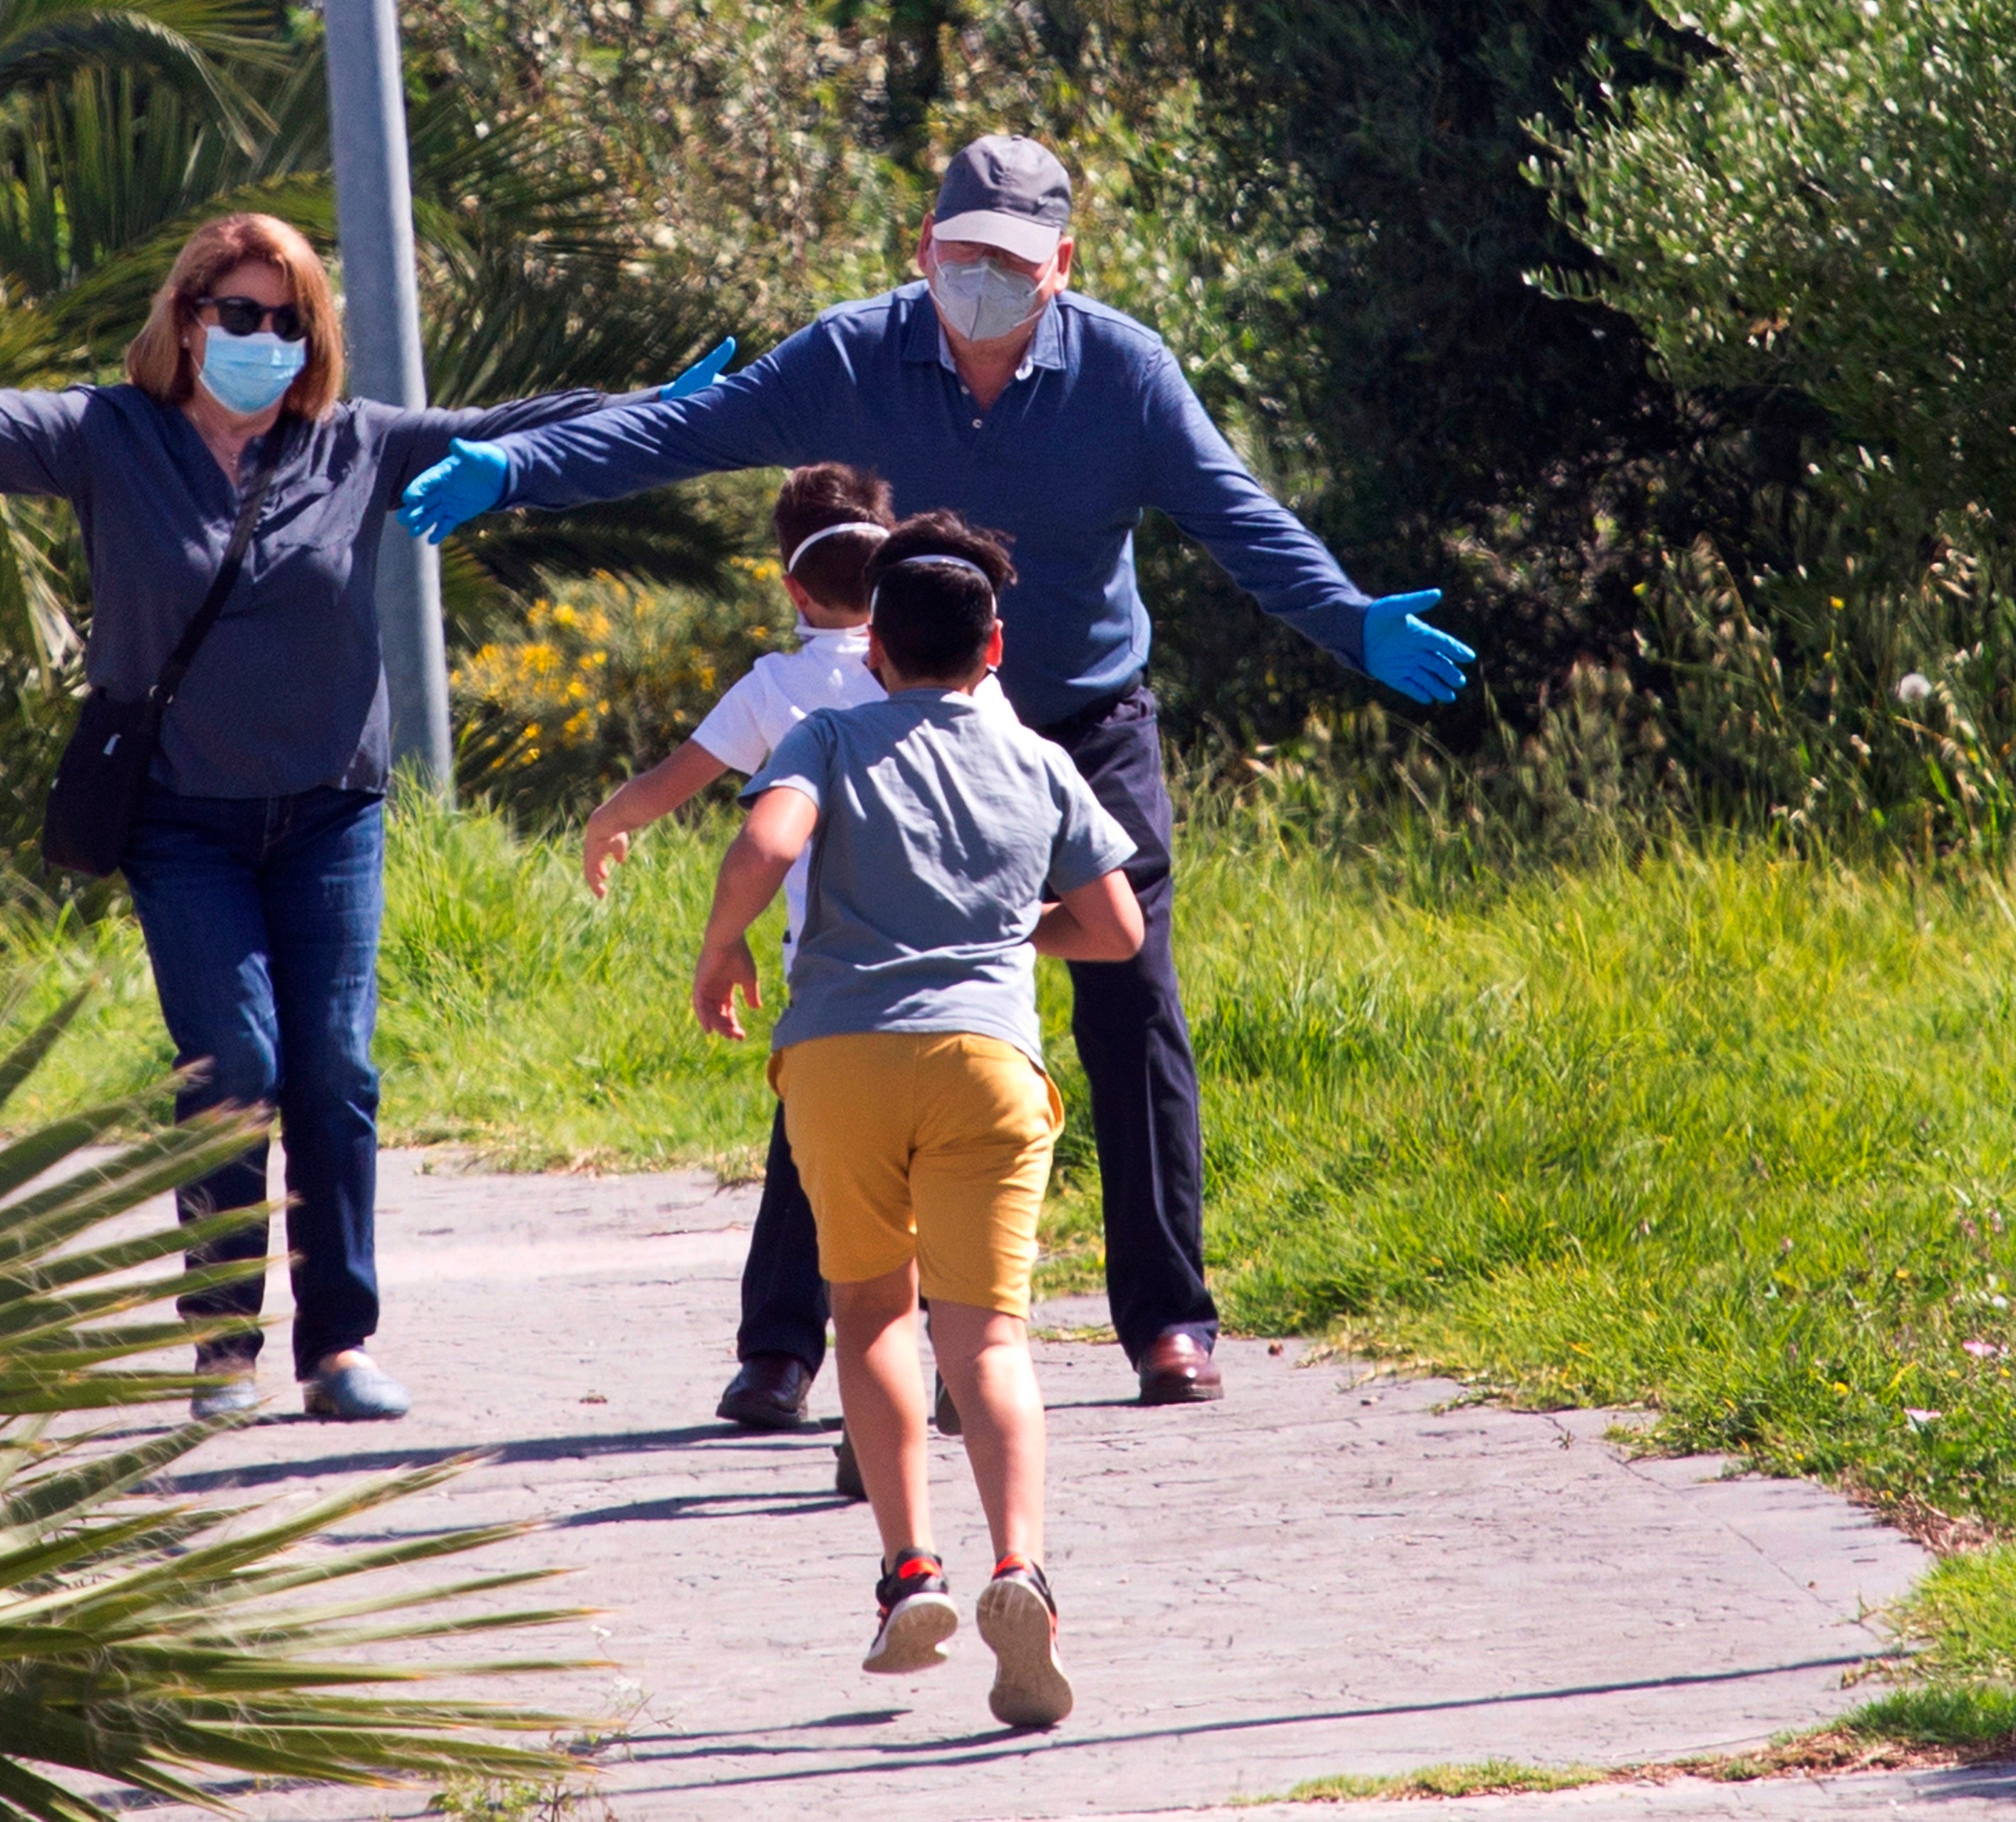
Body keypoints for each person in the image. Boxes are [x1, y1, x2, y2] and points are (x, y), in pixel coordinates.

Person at [400, 134, 1474, 1407]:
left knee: (1129, 995)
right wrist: (516, 468)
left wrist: (1347, 618)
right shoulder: (850, 357)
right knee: (853, 1002)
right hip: (904, 723)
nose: (981, 279)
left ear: (1059, 266)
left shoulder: (1123, 374)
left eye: (1011, 262)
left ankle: (1167, 1321)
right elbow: (683, 434)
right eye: (961, 253)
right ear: (923, 248)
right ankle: (781, 1346)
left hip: (1077, 720)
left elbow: (1234, 516)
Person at [0, 215, 729, 1424]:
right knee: (236, 1067)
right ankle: (222, 1347)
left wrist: (657, 410)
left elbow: (516, 429)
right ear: (187, 316)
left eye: (286, 318)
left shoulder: (354, 446)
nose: (261, 337)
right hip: (179, 818)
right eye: (238, 313)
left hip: (329, 812)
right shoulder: (113, 436)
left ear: (312, 336)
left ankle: (338, 1346)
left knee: (338, 1070)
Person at [694, 512, 1142, 1729]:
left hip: (840, 1059)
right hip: (988, 1062)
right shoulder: (1038, 757)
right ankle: (1020, 1570)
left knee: (871, 1308)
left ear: (875, 645)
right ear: (992, 647)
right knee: (988, 1339)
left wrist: (723, 942)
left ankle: (908, 1572)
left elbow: (765, 838)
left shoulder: (828, 732)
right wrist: (1008, 933)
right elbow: (1115, 931)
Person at [581, 464, 1012, 1443]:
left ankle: (777, 1362)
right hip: (968, 988)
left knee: (805, 1177)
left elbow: (676, 782)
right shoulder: (961, 672)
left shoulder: (780, 686)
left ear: (792, 586)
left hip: (834, 989)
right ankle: (957, 1365)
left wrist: (610, 822)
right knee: (950, 1181)